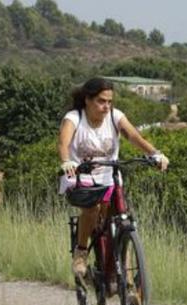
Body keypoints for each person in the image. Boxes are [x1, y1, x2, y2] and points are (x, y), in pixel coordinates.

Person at [58, 77, 168, 280]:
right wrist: (67, 161)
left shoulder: (115, 117)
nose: (106, 106)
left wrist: (155, 154)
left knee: (120, 219)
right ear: (87, 100)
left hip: (110, 178)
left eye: (109, 101)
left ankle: (126, 279)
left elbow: (134, 137)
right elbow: (63, 144)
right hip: (82, 180)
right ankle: (81, 252)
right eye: (101, 101)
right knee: (91, 210)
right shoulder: (74, 118)